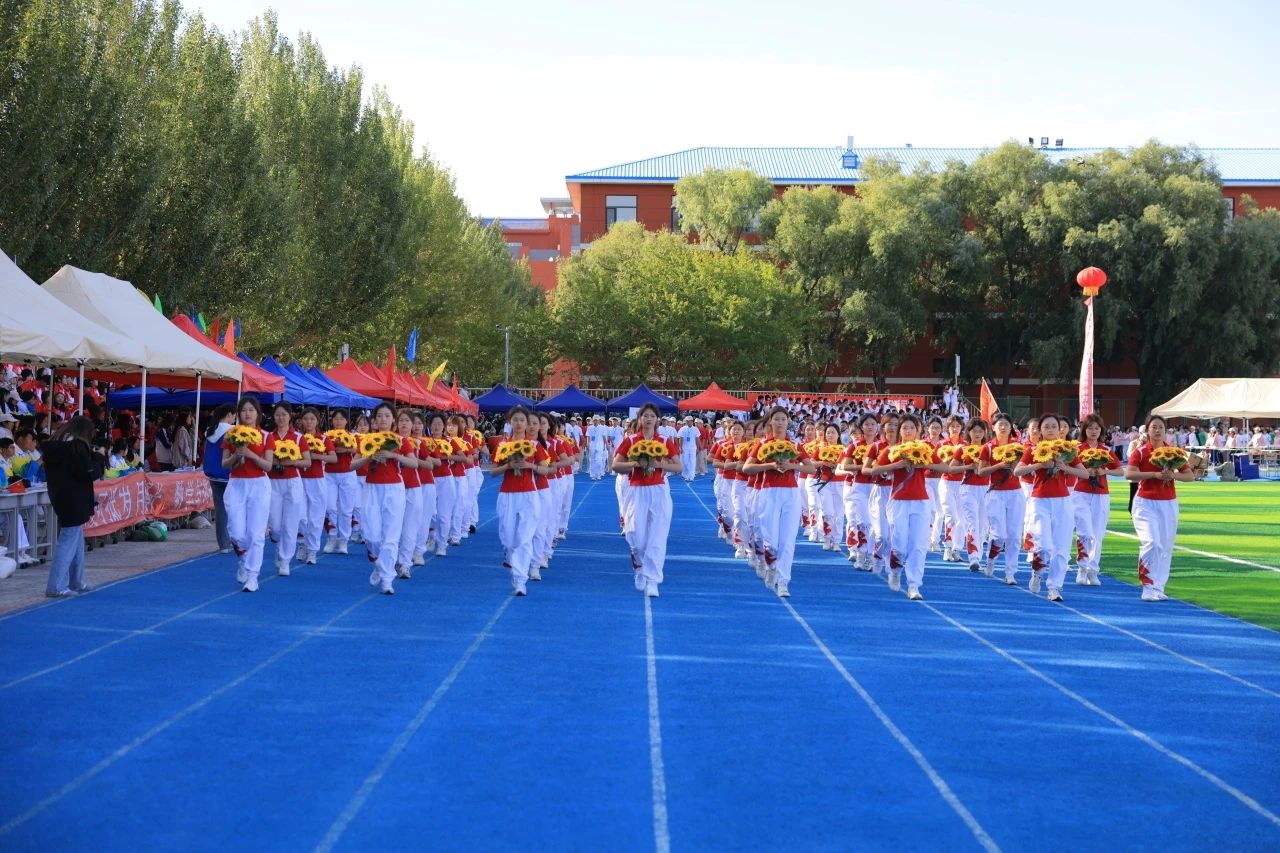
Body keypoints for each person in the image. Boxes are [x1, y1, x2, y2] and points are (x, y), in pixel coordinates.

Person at [866, 413, 946, 600]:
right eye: (905, 428)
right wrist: (898, 464)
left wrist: (923, 464)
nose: (908, 431)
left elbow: (945, 468)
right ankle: (895, 571)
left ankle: (914, 585)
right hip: (898, 501)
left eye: (912, 428)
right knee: (899, 544)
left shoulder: (924, 449)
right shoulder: (893, 450)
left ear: (918, 431)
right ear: (900, 431)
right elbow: (874, 470)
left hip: (921, 501)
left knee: (918, 545)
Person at [741, 406, 815, 598]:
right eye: (776, 419)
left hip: (791, 493)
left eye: (783, 419)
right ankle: (771, 566)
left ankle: (783, 582)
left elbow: (811, 469)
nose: (780, 423)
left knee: (788, 540)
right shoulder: (763, 444)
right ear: (771, 422)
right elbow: (747, 467)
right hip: (768, 493)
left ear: (788, 421)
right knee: (771, 540)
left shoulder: (795, 444)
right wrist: (770, 465)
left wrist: (791, 465)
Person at [1014, 413, 1089, 602]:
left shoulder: (1067, 450)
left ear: (1059, 430)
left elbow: (1085, 474)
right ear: (1040, 430)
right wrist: (1039, 464)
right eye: (1046, 426)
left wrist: (1064, 467)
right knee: (1044, 546)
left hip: (1063, 502)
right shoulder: (1033, 449)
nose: (1050, 430)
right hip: (1039, 500)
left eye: (1054, 426)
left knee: (1062, 548)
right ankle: (1037, 571)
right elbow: (1017, 471)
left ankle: (1054, 587)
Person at [1125, 414, 1197, 601]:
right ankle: (1147, 585)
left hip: (1168, 503)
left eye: (1161, 427)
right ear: (1147, 430)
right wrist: (1154, 475)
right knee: (1151, 542)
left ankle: (1159, 586)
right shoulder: (1141, 452)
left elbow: (1189, 476)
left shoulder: (1174, 452)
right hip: (1145, 502)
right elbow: (1129, 474)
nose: (1157, 431)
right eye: (1154, 427)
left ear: (1166, 431)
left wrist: (1173, 475)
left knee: (1165, 547)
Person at [613, 403, 681, 597]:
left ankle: (653, 580)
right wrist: (635, 463)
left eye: (652, 416)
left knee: (657, 537)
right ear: (640, 419)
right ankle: (639, 563)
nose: (649, 419)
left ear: (657, 419)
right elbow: (615, 465)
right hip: (636, 490)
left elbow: (679, 467)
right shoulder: (631, 440)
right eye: (645, 416)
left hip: (658, 490)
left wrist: (658, 464)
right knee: (635, 534)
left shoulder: (665, 441)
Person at [352, 402, 415, 594]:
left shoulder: (400, 440)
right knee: (371, 535)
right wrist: (369, 457)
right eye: (379, 416)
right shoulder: (367, 440)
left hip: (394, 489)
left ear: (393, 419)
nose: (383, 419)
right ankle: (379, 564)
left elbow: (413, 463)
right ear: (374, 420)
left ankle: (387, 580)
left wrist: (393, 456)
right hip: (372, 488)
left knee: (391, 536)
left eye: (387, 416)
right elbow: (352, 465)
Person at [41, 416, 105, 597]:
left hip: (61, 495)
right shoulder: (77, 447)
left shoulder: (57, 445)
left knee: (76, 539)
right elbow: (88, 473)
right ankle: (55, 585)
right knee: (68, 540)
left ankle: (75, 581)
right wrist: (99, 457)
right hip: (74, 498)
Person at [491, 406, 552, 595]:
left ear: (526, 424)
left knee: (524, 539)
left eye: (522, 420)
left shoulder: (534, 445)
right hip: (507, 495)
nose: (518, 423)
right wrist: (508, 466)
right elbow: (493, 472)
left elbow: (546, 469)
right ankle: (511, 560)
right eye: (515, 420)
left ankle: (520, 581)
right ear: (509, 422)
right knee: (508, 539)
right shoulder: (503, 445)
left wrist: (529, 466)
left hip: (529, 495)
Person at [222, 397, 273, 592]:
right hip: (237, 484)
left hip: (259, 485)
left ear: (258, 414)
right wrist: (237, 454)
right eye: (244, 410)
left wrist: (251, 455)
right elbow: (224, 464)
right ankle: (244, 558)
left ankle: (253, 576)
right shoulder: (231, 435)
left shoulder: (266, 436)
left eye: (251, 410)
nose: (247, 413)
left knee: (256, 533)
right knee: (236, 532)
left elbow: (268, 466)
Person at [1072, 412, 1122, 586]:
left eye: (1097, 428)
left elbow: (1120, 471)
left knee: (1097, 535)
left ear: (1101, 431)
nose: (1093, 431)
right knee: (1084, 532)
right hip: (1081, 493)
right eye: (1090, 428)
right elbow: (1068, 469)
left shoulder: (1106, 450)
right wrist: (1085, 472)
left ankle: (1093, 571)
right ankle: (1082, 568)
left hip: (1101, 494)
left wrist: (1104, 471)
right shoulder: (1078, 449)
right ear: (1084, 430)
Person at [976, 413, 1025, 584]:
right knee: (999, 535)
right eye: (1000, 424)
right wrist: (999, 465)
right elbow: (980, 472)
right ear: (993, 427)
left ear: (1011, 427)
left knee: (1014, 535)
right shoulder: (988, 447)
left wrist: (1014, 463)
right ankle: (990, 560)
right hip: (995, 493)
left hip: (1016, 493)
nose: (1003, 427)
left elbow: (1024, 468)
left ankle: (1010, 572)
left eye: (1006, 424)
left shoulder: (1018, 447)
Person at [265, 403, 310, 575]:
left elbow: (307, 461)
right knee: (275, 524)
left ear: (290, 416)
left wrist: (292, 462)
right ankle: (278, 543)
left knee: (290, 523)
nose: (281, 418)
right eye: (277, 415)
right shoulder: (269, 437)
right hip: (273, 483)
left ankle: (285, 560)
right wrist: (275, 461)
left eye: (284, 414)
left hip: (292, 482)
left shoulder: (298, 437)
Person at [322, 410, 359, 555]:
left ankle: (343, 540)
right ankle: (332, 536)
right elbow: (321, 450)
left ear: (346, 421)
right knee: (330, 507)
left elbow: (357, 450)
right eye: (336, 419)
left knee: (346, 509)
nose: (338, 421)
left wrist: (346, 449)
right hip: (329, 475)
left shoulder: (351, 436)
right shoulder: (326, 436)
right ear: (332, 421)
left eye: (341, 419)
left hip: (348, 473)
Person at [203, 404, 237, 553]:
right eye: (234, 415)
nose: (234, 418)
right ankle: (233, 540)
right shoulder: (232, 431)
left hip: (213, 475)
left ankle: (223, 544)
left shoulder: (210, 431)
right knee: (233, 509)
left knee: (220, 510)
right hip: (228, 474)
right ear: (229, 414)